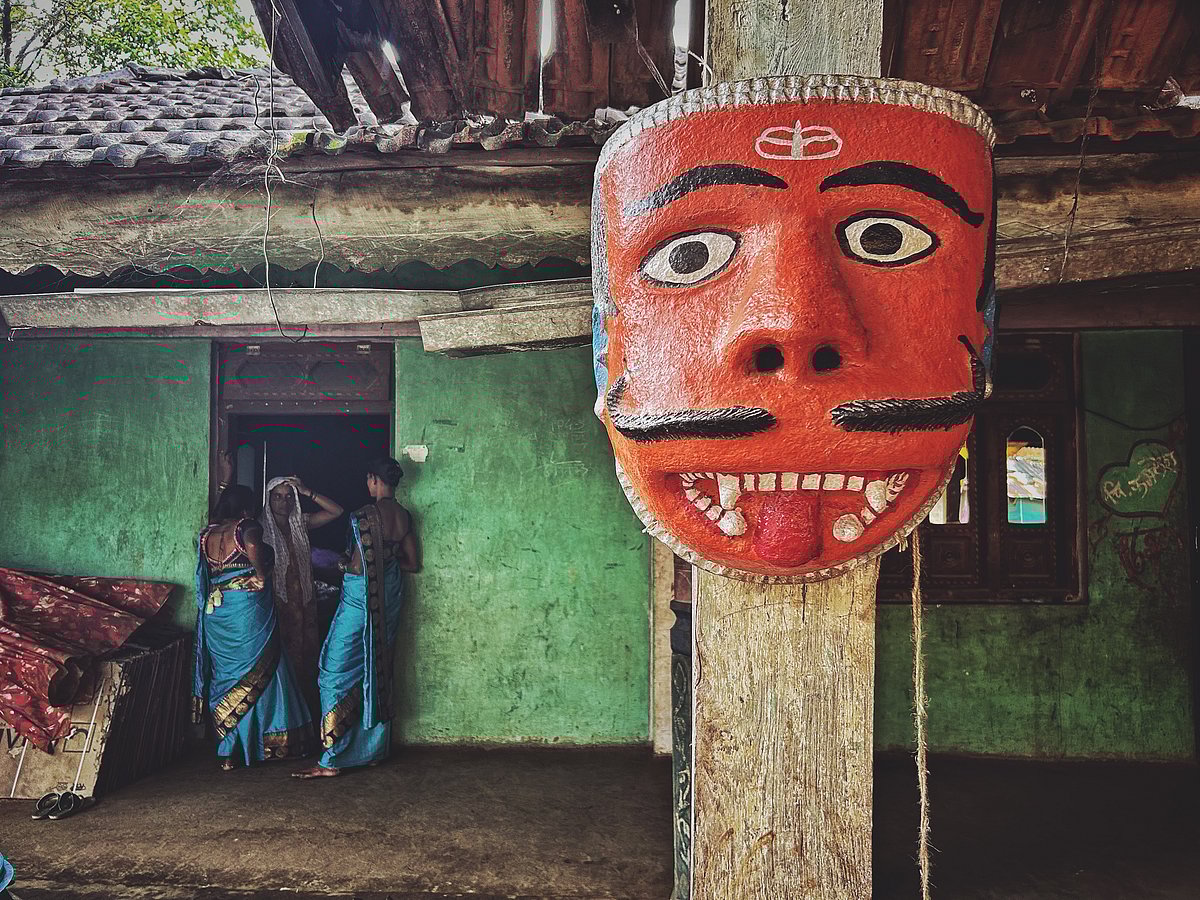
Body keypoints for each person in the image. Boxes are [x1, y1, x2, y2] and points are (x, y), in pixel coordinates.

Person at [294, 457, 420, 778]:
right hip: (390, 596)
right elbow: (412, 563)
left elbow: (356, 566)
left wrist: (333, 565)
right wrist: (387, 556)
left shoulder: (363, 517)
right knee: (376, 666)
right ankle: (373, 750)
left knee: (333, 672)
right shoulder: (404, 517)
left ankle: (334, 756)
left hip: (360, 599)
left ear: (372, 479)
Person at [194, 485, 313, 770]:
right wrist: (261, 575)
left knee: (228, 676)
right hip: (247, 608)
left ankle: (229, 749)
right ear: (247, 509)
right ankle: (268, 744)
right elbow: (252, 546)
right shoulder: (247, 525)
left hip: (219, 612)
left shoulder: (207, 534)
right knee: (266, 667)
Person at [261, 475, 343, 715]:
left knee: (306, 657)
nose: (283, 502)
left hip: (305, 602)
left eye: (289, 497)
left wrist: (307, 491)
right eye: (277, 496)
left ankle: (304, 716)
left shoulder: (300, 523)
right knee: (281, 660)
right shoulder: (259, 529)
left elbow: (336, 511)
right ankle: (284, 716)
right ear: (268, 499)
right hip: (278, 603)